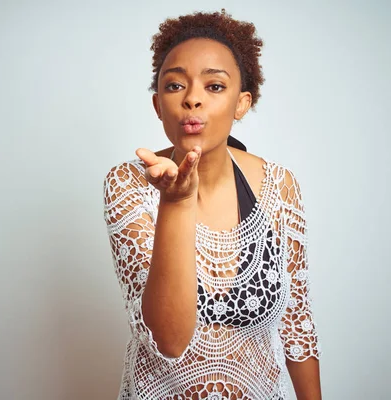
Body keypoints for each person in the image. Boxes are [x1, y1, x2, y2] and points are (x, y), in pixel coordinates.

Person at [102, 9, 322, 400]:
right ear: (157, 105)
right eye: (174, 86)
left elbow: (297, 324)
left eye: (214, 87)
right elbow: (169, 341)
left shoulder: (280, 187)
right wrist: (177, 201)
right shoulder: (128, 185)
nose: (192, 100)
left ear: (242, 103)